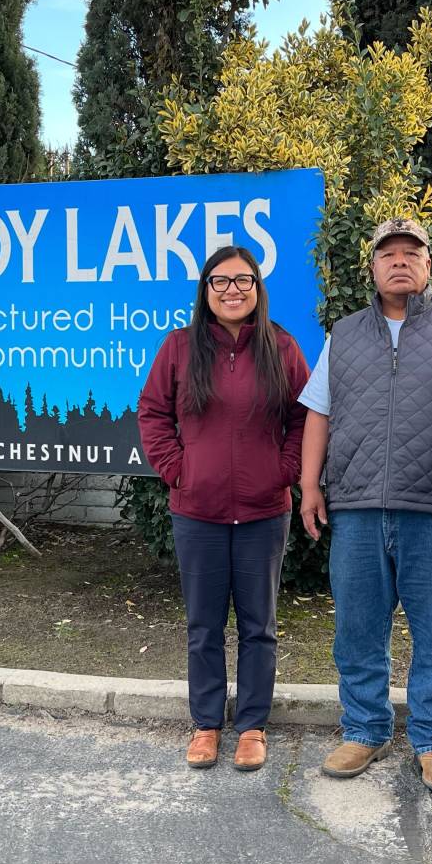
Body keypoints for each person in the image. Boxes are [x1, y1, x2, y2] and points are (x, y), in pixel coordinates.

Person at [297, 217, 432, 795]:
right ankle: (365, 729)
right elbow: (318, 412)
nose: (399, 261)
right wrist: (309, 485)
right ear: (372, 268)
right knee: (357, 629)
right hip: (357, 506)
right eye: (387, 254)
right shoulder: (344, 335)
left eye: (412, 253)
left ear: (428, 265)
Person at [138, 245, 311, 772]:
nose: (232, 290)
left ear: (257, 287)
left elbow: (304, 418)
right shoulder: (180, 347)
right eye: (220, 281)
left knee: (259, 626)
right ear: (206, 290)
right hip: (197, 512)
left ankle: (252, 726)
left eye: (243, 280)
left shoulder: (282, 347)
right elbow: (152, 413)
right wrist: (179, 471)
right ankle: (207, 724)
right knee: (203, 626)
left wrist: (284, 470)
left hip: (264, 511)